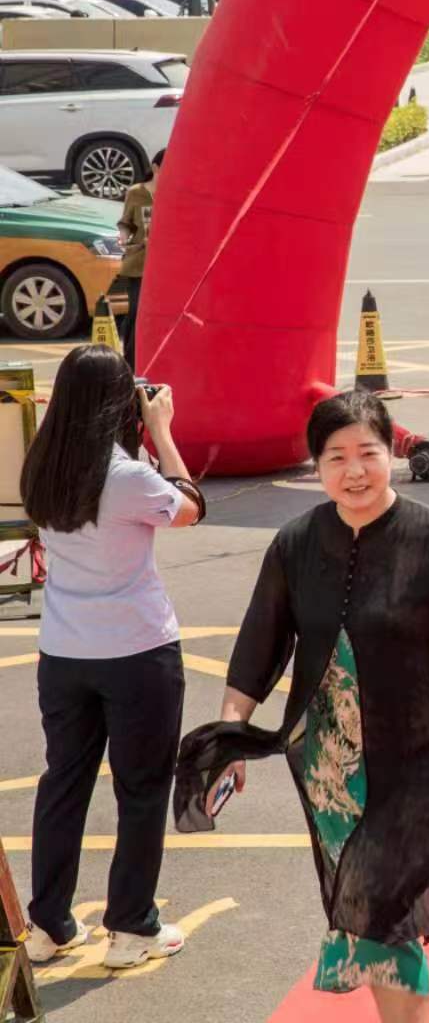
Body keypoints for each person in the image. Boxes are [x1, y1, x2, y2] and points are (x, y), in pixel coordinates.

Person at [175, 390, 429, 1021]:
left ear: (390, 454)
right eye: (336, 457)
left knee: (386, 910)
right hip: (333, 769)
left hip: (423, 762)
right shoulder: (295, 545)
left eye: (368, 453)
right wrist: (231, 737)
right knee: (369, 910)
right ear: (315, 467)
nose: (354, 471)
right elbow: (257, 651)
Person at [19, 345, 202, 970]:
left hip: (63, 652)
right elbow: (190, 508)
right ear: (120, 403)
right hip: (136, 651)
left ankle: (48, 925)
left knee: (63, 783)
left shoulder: (41, 465)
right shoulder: (126, 476)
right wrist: (161, 430)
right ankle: (131, 928)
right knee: (142, 789)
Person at [115, 157, 156, 366]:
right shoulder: (136, 192)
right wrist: (123, 237)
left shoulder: (178, 191)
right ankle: (131, 361)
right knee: (137, 310)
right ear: (155, 167)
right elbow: (126, 223)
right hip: (140, 262)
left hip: (167, 266)